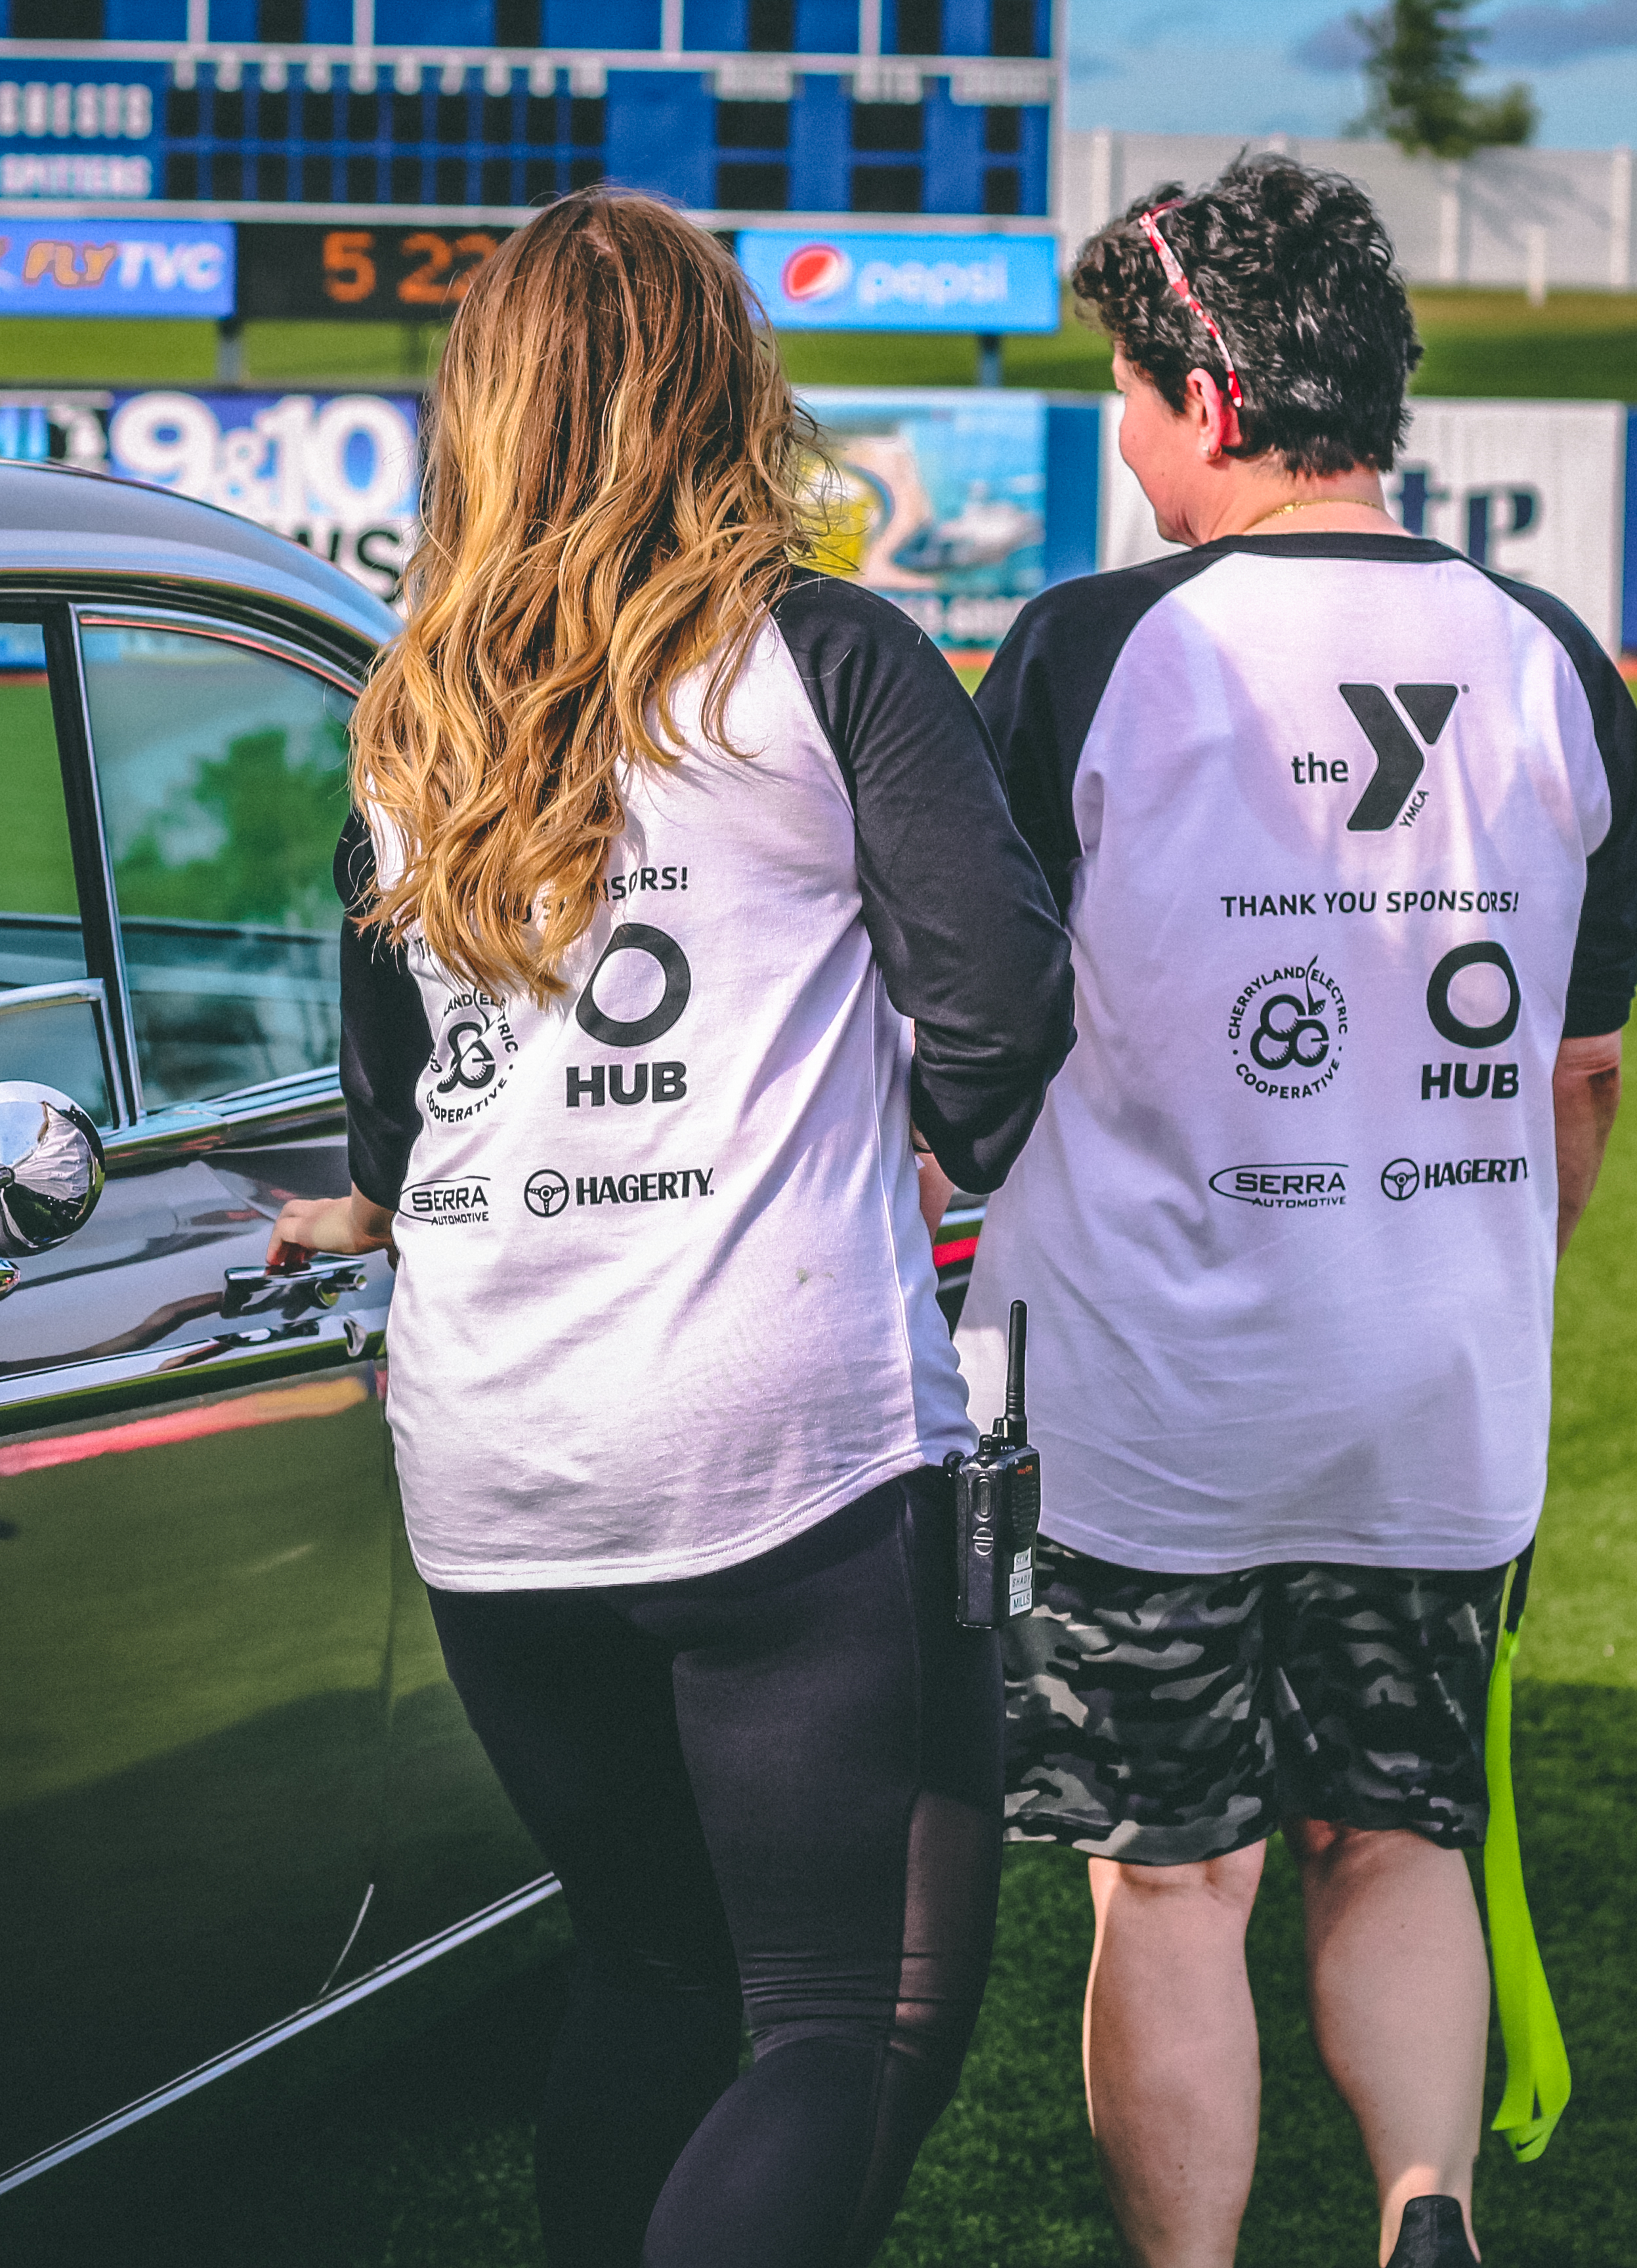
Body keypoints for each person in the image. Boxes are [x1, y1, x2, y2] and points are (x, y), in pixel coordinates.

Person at [268, 186, 1076, 2268]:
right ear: (724, 390)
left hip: (491, 1456)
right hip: (765, 1442)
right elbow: (999, 998)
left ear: (490, 414)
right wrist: (933, 1141)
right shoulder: (829, 655)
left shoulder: (411, 707)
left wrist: (365, 1207)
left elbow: (392, 1081)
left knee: (645, 1969)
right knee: (827, 2019)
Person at [958, 154, 1637, 2268]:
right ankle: (1422, 2212)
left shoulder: (1090, 648)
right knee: (1397, 1835)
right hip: (1438, 1389)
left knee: (1176, 1876)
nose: (1130, 441)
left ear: (1221, 392)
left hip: (1159, 1403)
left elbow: (981, 1034)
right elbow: (1580, 1084)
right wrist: (1461, 1276)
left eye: (1136, 396)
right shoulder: (1552, 658)